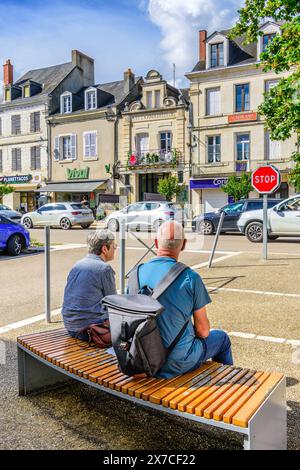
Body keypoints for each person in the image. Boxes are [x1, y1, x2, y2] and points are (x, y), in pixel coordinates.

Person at [136, 221, 233, 378]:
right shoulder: (190, 278)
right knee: (222, 339)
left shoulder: (136, 273)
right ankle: (228, 385)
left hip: (141, 358)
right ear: (184, 245)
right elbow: (203, 331)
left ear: (155, 242)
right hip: (177, 362)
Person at [62, 229, 117, 340]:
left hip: (70, 325)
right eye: (114, 246)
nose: (115, 249)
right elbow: (113, 302)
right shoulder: (104, 269)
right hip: (91, 329)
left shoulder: (77, 265)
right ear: (104, 249)